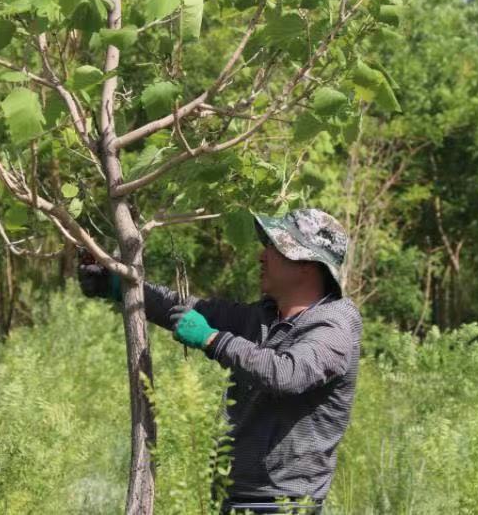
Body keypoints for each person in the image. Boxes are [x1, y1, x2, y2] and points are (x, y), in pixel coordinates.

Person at [78, 209, 362, 515]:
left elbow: (287, 373)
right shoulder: (264, 317)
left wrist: (214, 340)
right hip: (232, 498)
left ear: (306, 264)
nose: (261, 256)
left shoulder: (334, 327)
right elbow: (191, 308)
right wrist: (119, 285)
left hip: (284, 505)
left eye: (275, 247)